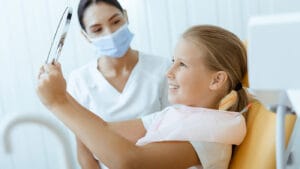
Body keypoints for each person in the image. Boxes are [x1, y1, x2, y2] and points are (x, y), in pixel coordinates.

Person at [37, 25, 249, 169]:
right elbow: (107, 130)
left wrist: (57, 102)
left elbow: (129, 161)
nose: (169, 71)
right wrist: (62, 94)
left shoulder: (210, 135)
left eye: (182, 64)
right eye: (173, 60)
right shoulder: (177, 116)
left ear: (217, 80)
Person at [70, 0, 170, 168]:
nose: (110, 34)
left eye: (115, 21)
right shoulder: (79, 81)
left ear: (126, 16)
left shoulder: (162, 68)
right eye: (97, 30)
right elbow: (85, 152)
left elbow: (176, 131)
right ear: (85, 35)